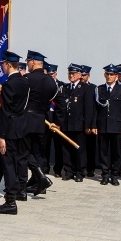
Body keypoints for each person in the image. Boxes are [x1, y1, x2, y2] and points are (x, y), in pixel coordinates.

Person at [0, 51, 30, 215]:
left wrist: (2, 136)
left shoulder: (9, 84)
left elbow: (6, 111)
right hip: (19, 127)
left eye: (3, 64)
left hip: (9, 130)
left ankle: (10, 202)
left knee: (8, 164)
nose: (1, 66)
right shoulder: (24, 82)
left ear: (8, 64)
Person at [24, 50, 57, 197]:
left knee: (24, 151)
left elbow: (21, 100)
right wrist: (56, 122)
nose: (27, 64)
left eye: (28, 62)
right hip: (41, 120)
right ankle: (38, 183)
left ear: (32, 62)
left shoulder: (27, 79)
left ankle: (40, 178)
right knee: (38, 152)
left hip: (27, 119)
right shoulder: (51, 81)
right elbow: (58, 101)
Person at [53, 64, 93, 182]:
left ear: (80, 75)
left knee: (79, 149)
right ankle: (68, 171)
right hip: (66, 124)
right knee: (66, 149)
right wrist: (58, 123)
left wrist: (88, 125)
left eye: (74, 73)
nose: (71, 75)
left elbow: (88, 108)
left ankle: (79, 172)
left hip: (79, 124)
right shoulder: (64, 88)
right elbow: (60, 107)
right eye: (70, 73)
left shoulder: (85, 88)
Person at [94, 65, 121, 186]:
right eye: (107, 74)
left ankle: (115, 175)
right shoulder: (99, 89)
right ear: (104, 75)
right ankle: (105, 174)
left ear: (116, 76)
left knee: (116, 152)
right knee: (103, 151)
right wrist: (94, 125)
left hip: (117, 126)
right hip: (103, 125)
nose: (109, 77)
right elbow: (95, 109)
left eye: (112, 75)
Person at [44, 63, 64, 176]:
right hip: (46, 118)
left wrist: (58, 122)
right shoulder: (44, 86)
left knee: (58, 146)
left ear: (56, 74)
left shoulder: (62, 86)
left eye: (52, 74)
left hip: (56, 119)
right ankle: (45, 168)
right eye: (49, 74)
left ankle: (58, 170)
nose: (51, 76)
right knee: (45, 145)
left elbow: (62, 105)